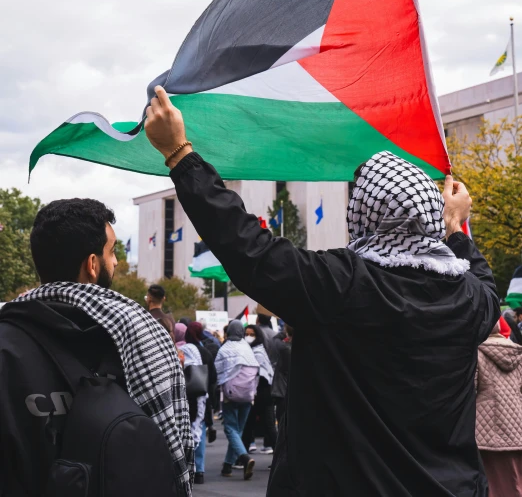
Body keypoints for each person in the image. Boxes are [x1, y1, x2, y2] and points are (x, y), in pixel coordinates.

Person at [144, 86, 500, 497]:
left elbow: (248, 248)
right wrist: (455, 230)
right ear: (430, 219)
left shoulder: (341, 285)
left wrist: (180, 155)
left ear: (362, 213)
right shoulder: (469, 299)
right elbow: (484, 282)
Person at [0, 195, 193, 496]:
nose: (116, 261)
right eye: (112, 251)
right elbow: (169, 449)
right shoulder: (138, 341)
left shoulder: (7, 339)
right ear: (92, 265)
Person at [476, 321, 522, 495]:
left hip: (487, 429)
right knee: (516, 480)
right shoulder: (518, 352)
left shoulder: (477, 353)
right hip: (517, 428)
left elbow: (470, 390)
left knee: (494, 484)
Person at [214, 320, 258, 480]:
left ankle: (244, 457)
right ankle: (227, 465)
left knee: (230, 429)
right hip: (247, 395)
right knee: (238, 430)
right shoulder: (247, 348)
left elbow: (218, 371)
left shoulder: (224, 349)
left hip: (230, 395)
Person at [185, 322, 219, 484]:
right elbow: (213, 378)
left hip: (185, 396)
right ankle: (199, 470)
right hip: (202, 397)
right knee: (200, 429)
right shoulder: (205, 352)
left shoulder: (181, 351)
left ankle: (186, 468)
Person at [242, 324, 277, 455]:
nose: (248, 337)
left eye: (252, 335)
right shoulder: (252, 350)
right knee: (251, 424)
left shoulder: (258, 351)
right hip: (257, 392)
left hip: (262, 392)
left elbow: (262, 374)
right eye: (246, 334)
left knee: (267, 425)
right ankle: (243, 456)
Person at [271, 324, 293, 424]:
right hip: (289, 392)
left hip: (283, 391)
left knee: (283, 423)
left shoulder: (286, 349)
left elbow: (274, 341)